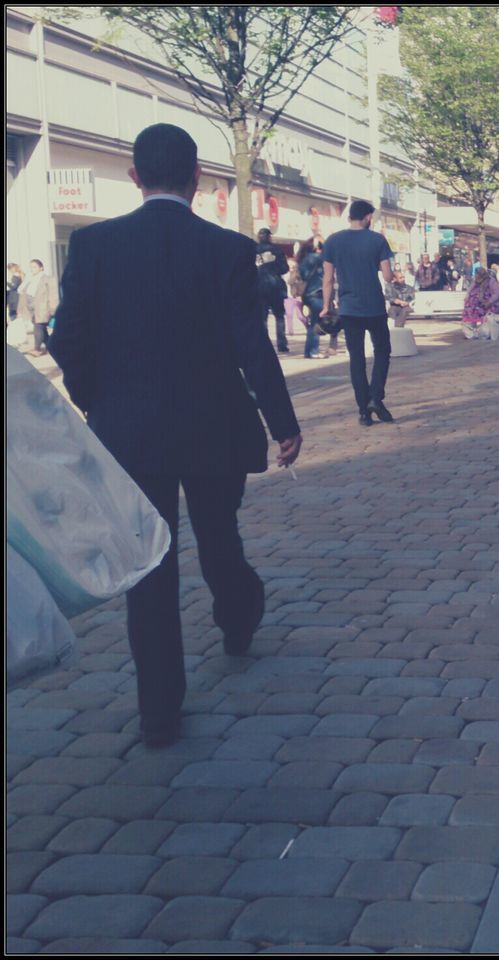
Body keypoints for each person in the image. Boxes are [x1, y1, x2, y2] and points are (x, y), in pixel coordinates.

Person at [48, 123, 301, 749]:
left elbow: (67, 339)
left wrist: (94, 401)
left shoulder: (93, 245)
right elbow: (251, 346)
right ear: (198, 179)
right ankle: (238, 617)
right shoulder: (227, 249)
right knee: (220, 538)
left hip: (129, 430)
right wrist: (283, 423)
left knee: (150, 569)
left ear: (135, 177)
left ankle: (159, 711)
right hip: (213, 425)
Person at [322, 199, 395, 426]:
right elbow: (387, 276)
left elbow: (328, 279)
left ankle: (364, 410)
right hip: (373, 306)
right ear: (367, 217)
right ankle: (376, 397)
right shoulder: (377, 240)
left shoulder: (333, 241)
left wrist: (326, 306)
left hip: (348, 308)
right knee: (382, 351)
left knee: (357, 358)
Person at [255, 228, 289, 353]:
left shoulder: (252, 250)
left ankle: (264, 343)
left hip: (259, 287)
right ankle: (282, 344)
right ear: (270, 237)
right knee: (279, 316)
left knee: (262, 317)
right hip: (276, 286)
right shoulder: (277, 250)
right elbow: (284, 268)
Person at [297, 237, 330, 359]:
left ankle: (309, 350)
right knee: (316, 323)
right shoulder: (318, 258)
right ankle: (313, 351)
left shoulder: (303, 259)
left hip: (307, 294)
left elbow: (304, 276)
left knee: (312, 323)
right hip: (317, 293)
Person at [18, 259, 58, 356]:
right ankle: (52, 347)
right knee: (42, 330)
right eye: (30, 267)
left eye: (34, 267)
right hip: (32, 309)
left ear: (41, 268)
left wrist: (53, 309)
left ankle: (37, 349)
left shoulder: (48, 279)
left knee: (38, 327)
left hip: (43, 308)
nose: (32, 269)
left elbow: (53, 295)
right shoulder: (30, 279)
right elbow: (21, 291)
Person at [461, 265, 499, 339]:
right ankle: (471, 332)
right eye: (476, 274)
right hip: (475, 305)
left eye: (477, 274)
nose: (476, 276)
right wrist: (467, 295)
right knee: (469, 309)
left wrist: (489, 302)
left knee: (484, 312)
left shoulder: (491, 281)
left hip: (489, 304)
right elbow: (470, 289)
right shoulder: (476, 281)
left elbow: (497, 293)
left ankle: (482, 332)